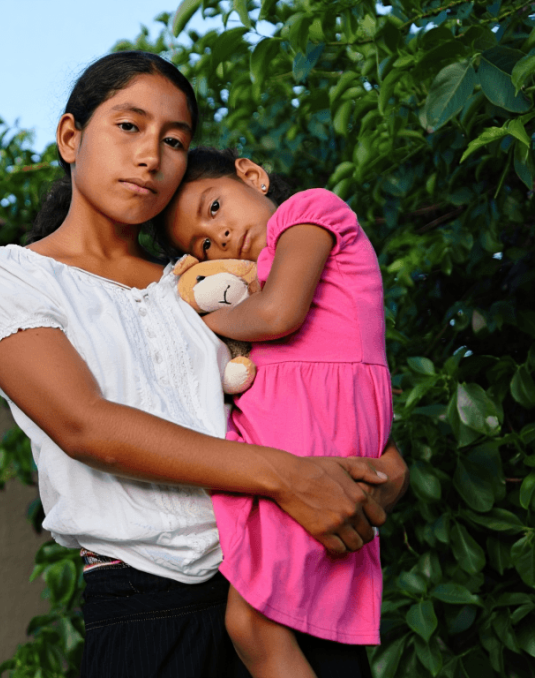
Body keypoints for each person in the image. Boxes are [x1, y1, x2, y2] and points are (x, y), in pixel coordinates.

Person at [0, 51, 408, 678]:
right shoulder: (13, 277)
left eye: (174, 140)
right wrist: (287, 477)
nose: (151, 155)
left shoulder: (206, 284)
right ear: (70, 137)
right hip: (150, 605)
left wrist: (379, 466)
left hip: (282, 579)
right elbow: (86, 426)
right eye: (128, 126)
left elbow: (299, 382)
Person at [157, 147, 394, 677]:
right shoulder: (257, 280)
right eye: (203, 244)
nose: (219, 236)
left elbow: (278, 315)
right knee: (261, 622)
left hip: (315, 440)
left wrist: (197, 323)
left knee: (250, 624)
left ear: (251, 175)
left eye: (213, 207)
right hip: (289, 443)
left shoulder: (309, 211)